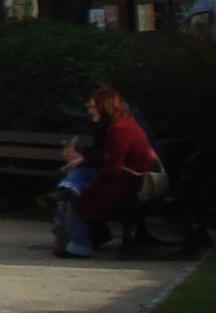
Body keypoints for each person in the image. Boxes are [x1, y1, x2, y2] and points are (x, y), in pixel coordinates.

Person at [60, 85, 161, 258]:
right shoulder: (123, 123)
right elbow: (110, 161)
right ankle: (77, 241)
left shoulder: (119, 129)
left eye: (92, 106)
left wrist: (91, 184)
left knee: (77, 195)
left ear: (103, 107)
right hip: (130, 178)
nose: (90, 111)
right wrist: (83, 161)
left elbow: (114, 167)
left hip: (131, 182)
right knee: (76, 183)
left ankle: (80, 246)